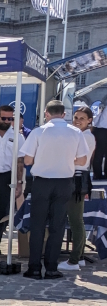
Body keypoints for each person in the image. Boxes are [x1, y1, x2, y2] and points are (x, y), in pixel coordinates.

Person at [20, 100, 91, 279]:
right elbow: (82, 161)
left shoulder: (38, 132)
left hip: (42, 182)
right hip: (64, 182)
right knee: (57, 226)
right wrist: (65, 160)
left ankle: (34, 268)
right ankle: (51, 268)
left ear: (46, 114)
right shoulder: (75, 132)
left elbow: (27, 160)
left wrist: (44, 160)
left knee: (37, 225)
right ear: (64, 114)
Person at [60, 106, 97, 270]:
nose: (77, 121)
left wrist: (60, 159)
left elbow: (80, 160)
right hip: (73, 176)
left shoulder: (87, 137)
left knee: (75, 219)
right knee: (75, 219)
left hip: (77, 178)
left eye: (82, 118)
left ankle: (74, 259)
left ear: (89, 120)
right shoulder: (77, 135)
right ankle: (79, 256)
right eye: (76, 117)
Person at [0, 105, 26, 255]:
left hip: (5, 177)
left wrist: (19, 183)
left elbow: (20, 161)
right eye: (4, 118)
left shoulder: (17, 136)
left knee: (1, 212)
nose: (8, 121)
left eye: (11, 119)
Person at [92, 103, 107, 180]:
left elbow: (96, 120)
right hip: (103, 130)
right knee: (99, 154)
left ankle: (97, 175)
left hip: (99, 130)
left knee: (98, 154)